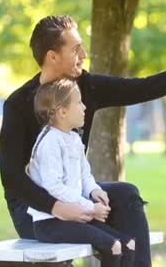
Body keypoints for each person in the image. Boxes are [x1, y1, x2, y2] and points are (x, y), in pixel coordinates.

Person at [0, 15, 166, 267]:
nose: (84, 54)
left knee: (126, 195)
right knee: (113, 229)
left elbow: (144, 88)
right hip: (35, 212)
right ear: (52, 56)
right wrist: (57, 207)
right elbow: (12, 176)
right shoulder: (18, 104)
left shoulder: (85, 87)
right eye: (76, 48)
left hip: (74, 196)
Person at [27, 78, 135, 267]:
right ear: (62, 112)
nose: (85, 107)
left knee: (128, 244)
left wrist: (94, 191)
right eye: (79, 102)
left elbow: (85, 175)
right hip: (50, 223)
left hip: (74, 216)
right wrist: (90, 207)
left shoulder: (73, 138)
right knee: (113, 246)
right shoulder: (50, 141)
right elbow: (54, 187)